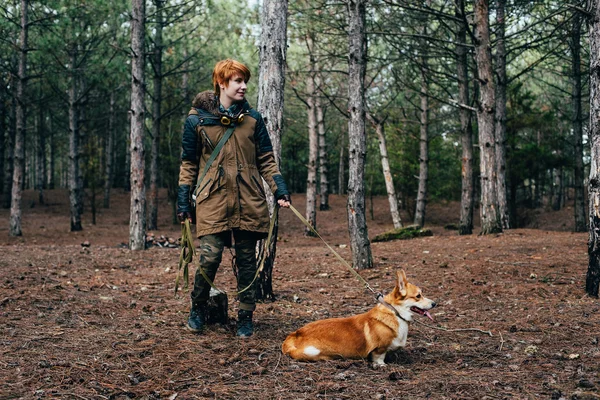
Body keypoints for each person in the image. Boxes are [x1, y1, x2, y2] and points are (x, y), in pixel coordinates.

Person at [177, 59, 291, 337]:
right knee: (209, 256)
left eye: (245, 80)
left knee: (247, 261)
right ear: (222, 83)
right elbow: (188, 163)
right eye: (238, 81)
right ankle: (198, 308)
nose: (243, 86)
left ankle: (245, 316)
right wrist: (183, 200)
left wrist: (280, 190)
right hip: (212, 199)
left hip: (248, 198)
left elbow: (266, 159)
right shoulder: (196, 120)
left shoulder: (253, 119)